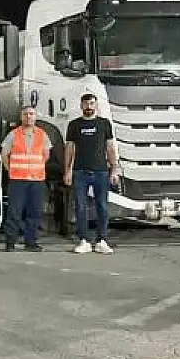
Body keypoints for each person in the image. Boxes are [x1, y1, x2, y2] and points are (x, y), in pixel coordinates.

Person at [64, 93, 119, 254]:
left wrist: (114, 169)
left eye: (92, 103)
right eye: (86, 104)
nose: (89, 106)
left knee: (102, 206)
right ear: (81, 106)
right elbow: (69, 148)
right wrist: (67, 171)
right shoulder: (74, 125)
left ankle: (102, 240)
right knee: (81, 207)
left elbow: (110, 147)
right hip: (80, 172)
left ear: (96, 105)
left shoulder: (104, 124)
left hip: (101, 172)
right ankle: (84, 240)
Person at [0, 106, 50, 252]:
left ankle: (31, 242)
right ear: (21, 117)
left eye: (31, 114)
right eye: (26, 114)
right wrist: (10, 169)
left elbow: (46, 155)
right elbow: (4, 154)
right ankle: (10, 242)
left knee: (34, 212)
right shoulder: (13, 134)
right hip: (18, 180)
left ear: (35, 116)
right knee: (14, 212)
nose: (29, 116)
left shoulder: (42, 134)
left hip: (37, 180)